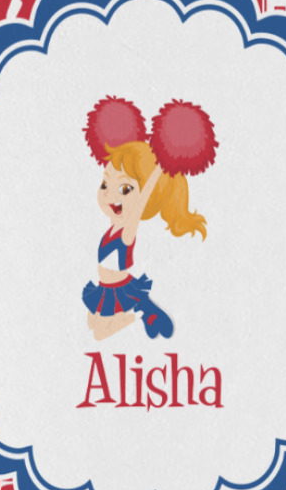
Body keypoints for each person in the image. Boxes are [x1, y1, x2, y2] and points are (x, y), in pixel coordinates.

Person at [81, 96, 217, 341]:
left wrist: (162, 164)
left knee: (99, 334)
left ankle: (134, 315)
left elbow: (142, 197)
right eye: (104, 184)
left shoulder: (127, 227)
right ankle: (140, 308)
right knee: (91, 322)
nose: (109, 195)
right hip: (104, 287)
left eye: (124, 189)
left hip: (117, 290)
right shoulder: (114, 224)